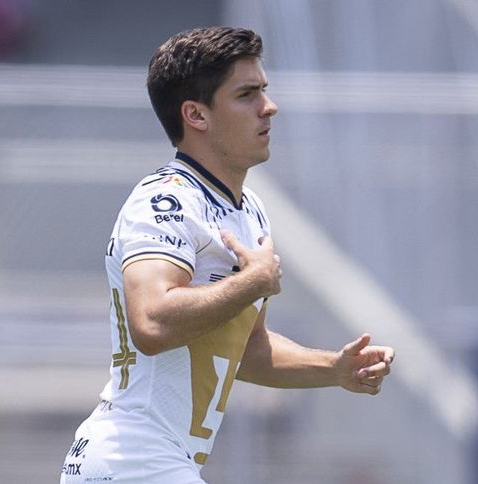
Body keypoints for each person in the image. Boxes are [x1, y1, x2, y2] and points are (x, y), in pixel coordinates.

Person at [60, 26, 396, 484]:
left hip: (155, 462)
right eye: (246, 94)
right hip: (132, 459)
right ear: (196, 114)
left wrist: (334, 369)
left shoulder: (249, 211)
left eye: (264, 90)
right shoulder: (164, 201)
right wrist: (251, 282)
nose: (268, 106)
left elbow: (249, 348)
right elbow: (152, 323)